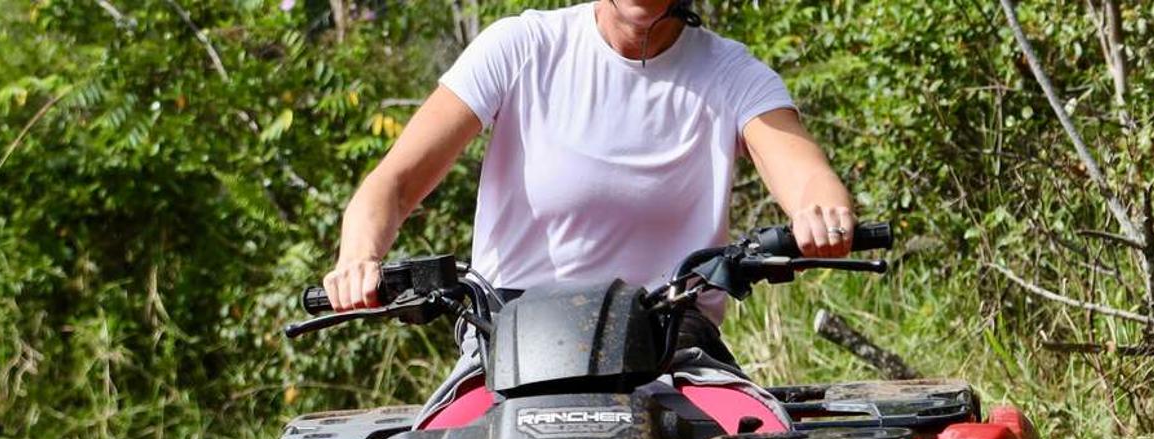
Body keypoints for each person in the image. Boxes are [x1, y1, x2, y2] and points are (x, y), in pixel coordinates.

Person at [322, 0, 856, 415]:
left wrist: (820, 214)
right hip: (506, 337)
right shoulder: (523, 46)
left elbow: (805, 173)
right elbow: (393, 182)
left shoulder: (733, 73)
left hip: (672, 337)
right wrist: (358, 257)